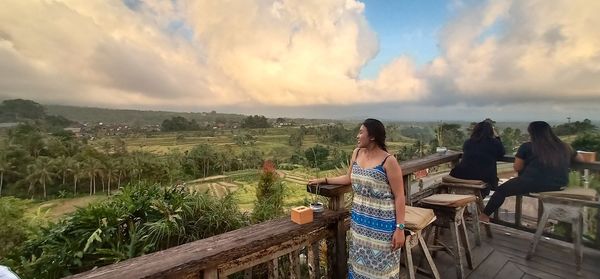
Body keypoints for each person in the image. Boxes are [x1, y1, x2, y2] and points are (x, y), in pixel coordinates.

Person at [308, 118, 406, 279]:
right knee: (359, 266)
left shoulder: (389, 161)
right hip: (360, 222)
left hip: (383, 225)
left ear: (372, 136)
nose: (357, 136)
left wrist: (400, 228)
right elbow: (348, 178)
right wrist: (324, 180)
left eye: (361, 132)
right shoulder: (357, 153)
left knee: (382, 270)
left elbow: (400, 196)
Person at [480, 121, 584, 223]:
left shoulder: (527, 146)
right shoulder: (565, 146)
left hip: (532, 182)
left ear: (532, 133)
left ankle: (484, 216)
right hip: (559, 184)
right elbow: (581, 160)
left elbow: (517, 167)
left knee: (501, 190)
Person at [449, 121, 505, 197]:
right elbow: (501, 153)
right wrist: (497, 137)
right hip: (482, 178)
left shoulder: (468, 142)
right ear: (491, 132)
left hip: (461, 175)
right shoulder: (494, 143)